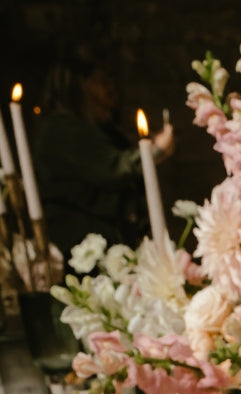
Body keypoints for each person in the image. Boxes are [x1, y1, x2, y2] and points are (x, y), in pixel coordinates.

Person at [34, 57, 175, 262]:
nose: (110, 88)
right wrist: (154, 151)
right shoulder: (62, 130)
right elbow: (112, 169)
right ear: (79, 87)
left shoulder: (99, 129)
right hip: (81, 247)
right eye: (100, 81)